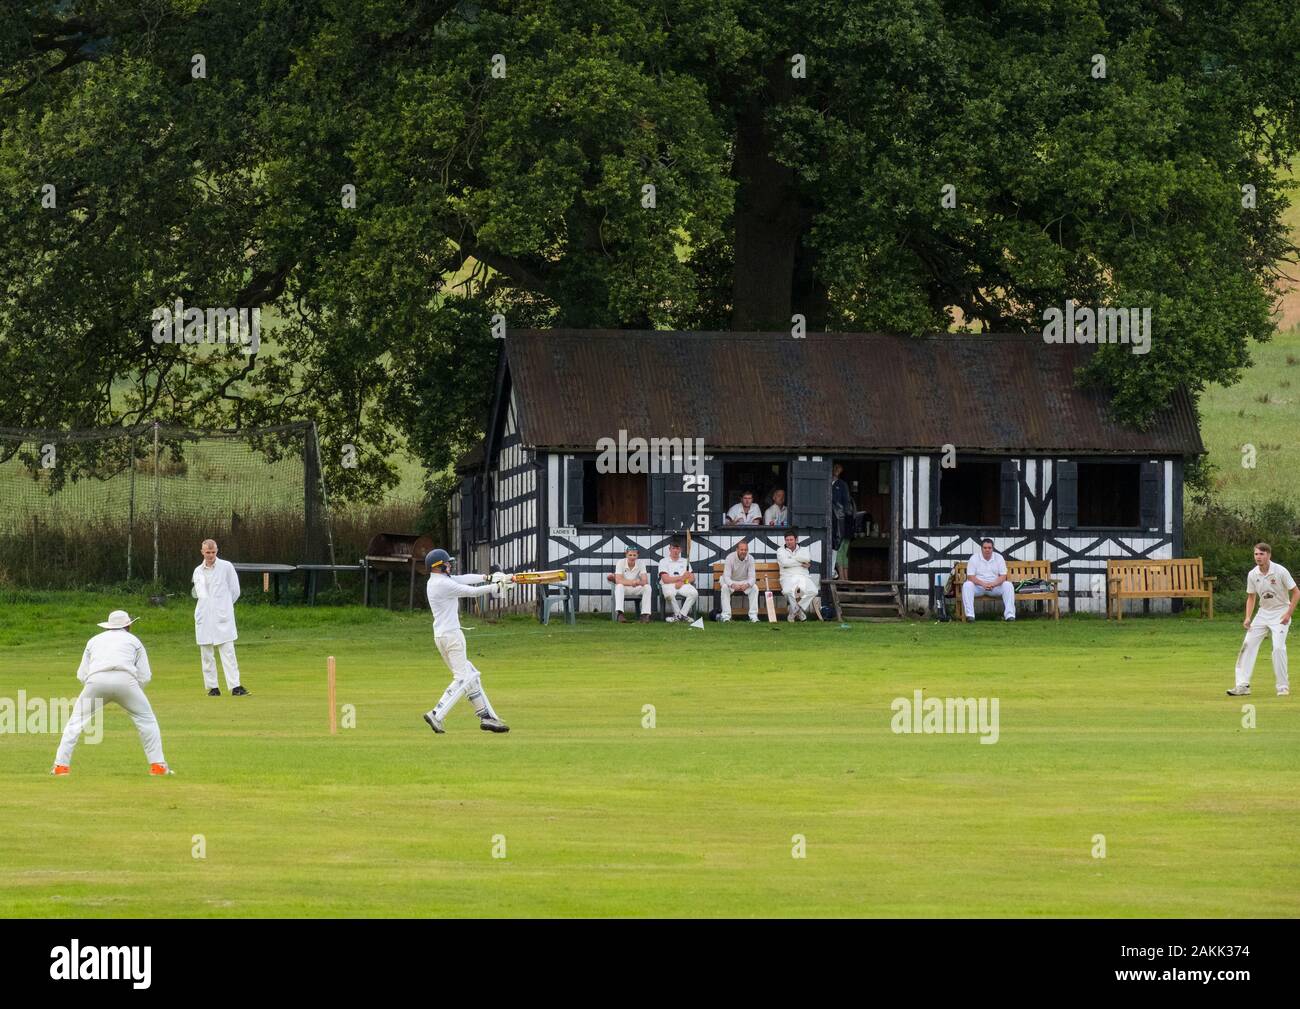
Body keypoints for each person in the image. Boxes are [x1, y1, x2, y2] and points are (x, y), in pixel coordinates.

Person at [51, 610, 173, 776]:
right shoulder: (134, 641)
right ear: (128, 625)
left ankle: (60, 767)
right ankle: (158, 766)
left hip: (95, 681)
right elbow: (145, 676)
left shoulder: (93, 641)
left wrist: (93, 687)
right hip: (126, 681)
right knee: (147, 720)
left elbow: (81, 674)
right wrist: (134, 691)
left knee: (75, 721)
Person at [423, 549, 512, 733]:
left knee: (470, 674)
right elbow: (471, 592)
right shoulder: (443, 585)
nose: (450, 565)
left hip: (442, 636)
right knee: (463, 678)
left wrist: (488, 577)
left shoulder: (438, 581)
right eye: (447, 563)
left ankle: (487, 717)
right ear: (438, 566)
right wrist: (496, 587)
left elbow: (465, 578)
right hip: (452, 636)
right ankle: (436, 714)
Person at [1227, 542, 1298, 697]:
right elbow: (1251, 597)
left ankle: (1282, 686)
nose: (1258, 557)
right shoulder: (1253, 574)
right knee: (1247, 646)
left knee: (1278, 648)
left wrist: (1288, 614)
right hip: (1263, 613)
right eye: (1256, 554)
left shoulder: (1280, 571)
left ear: (1268, 555)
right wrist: (1247, 617)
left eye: (1261, 554)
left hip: (1281, 612)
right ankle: (1242, 685)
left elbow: (1296, 592)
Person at [192, 539, 249, 696]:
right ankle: (213, 688)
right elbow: (199, 594)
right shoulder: (198, 571)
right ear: (202, 552)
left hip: (223, 616)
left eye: (213, 552)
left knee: (228, 652)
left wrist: (224, 607)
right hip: (204, 616)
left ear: (217, 551)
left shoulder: (226, 567)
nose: (210, 555)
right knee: (206, 653)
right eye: (208, 552)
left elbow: (235, 590)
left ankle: (235, 686)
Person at [961, 538, 1016, 622]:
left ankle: (1010, 615)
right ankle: (970, 616)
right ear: (981, 548)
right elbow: (970, 576)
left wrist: (993, 584)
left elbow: (1003, 576)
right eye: (985, 547)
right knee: (967, 585)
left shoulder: (999, 558)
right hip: (979, 587)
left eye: (989, 548)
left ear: (992, 548)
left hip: (995, 587)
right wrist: (983, 584)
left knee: (1008, 585)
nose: (987, 550)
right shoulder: (974, 558)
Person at [776, 531, 822, 621]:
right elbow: (785, 563)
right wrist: (800, 562)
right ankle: (799, 612)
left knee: (813, 591)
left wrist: (791, 559)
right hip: (787, 577)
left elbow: (807, 559)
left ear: (796, 540)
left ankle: (796, 609)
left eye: (791, 540)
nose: (789, 542)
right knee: (787, 591)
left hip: (802, 576)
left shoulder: (804, 549)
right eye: (787, 540)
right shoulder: (780, 550)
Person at [719, 540, 760, 622]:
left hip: (744, 582)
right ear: (737, 550)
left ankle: (753, 616)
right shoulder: (730, 557)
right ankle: (726, 616)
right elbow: (726, 576)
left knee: (755, 588)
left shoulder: (750, 558)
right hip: (731, 581)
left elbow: (752, 577)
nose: (743, 552)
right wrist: (732, 585)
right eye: (741, 550)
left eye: (745, 550)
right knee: (724, 588)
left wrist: (747, 585)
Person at [608, 547, 652, 622]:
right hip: (625, 588)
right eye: (630, 555)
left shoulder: (641, 563)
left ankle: (645, 615)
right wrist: (633, 582)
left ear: (637, 555)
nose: (632, 557)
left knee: (647, 587)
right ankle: (620, 614)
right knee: (619, 586)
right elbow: (618, 580)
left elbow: (645, 581)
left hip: (636, 587)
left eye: (634, 555)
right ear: (626, 554)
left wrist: (638, 582)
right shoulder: (620, 562)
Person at [659, 540, 698, 622]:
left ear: (680, 550)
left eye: (677, 548)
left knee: (694, 593)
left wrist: (683, 582)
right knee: (669, 595)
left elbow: (692, 578)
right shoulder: (663, 561)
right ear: (670, 549)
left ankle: (681, 615)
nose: (675, 550)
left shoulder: (685, 561)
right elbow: (665, 579)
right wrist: (682, 577)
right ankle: (678, 615)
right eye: (673, 548)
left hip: (683, 584)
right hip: (668, 585)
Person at [830, 464, 854, 578]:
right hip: (835, 522)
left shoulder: (842, 485)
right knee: (841, 552)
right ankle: (844, 580)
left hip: (842, 522)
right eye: (835, 467)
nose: (836, 470)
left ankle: (844, 581)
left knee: (840, 551)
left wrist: (845, 520)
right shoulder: (826, 483)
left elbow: (847, 505)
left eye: (838, 468)